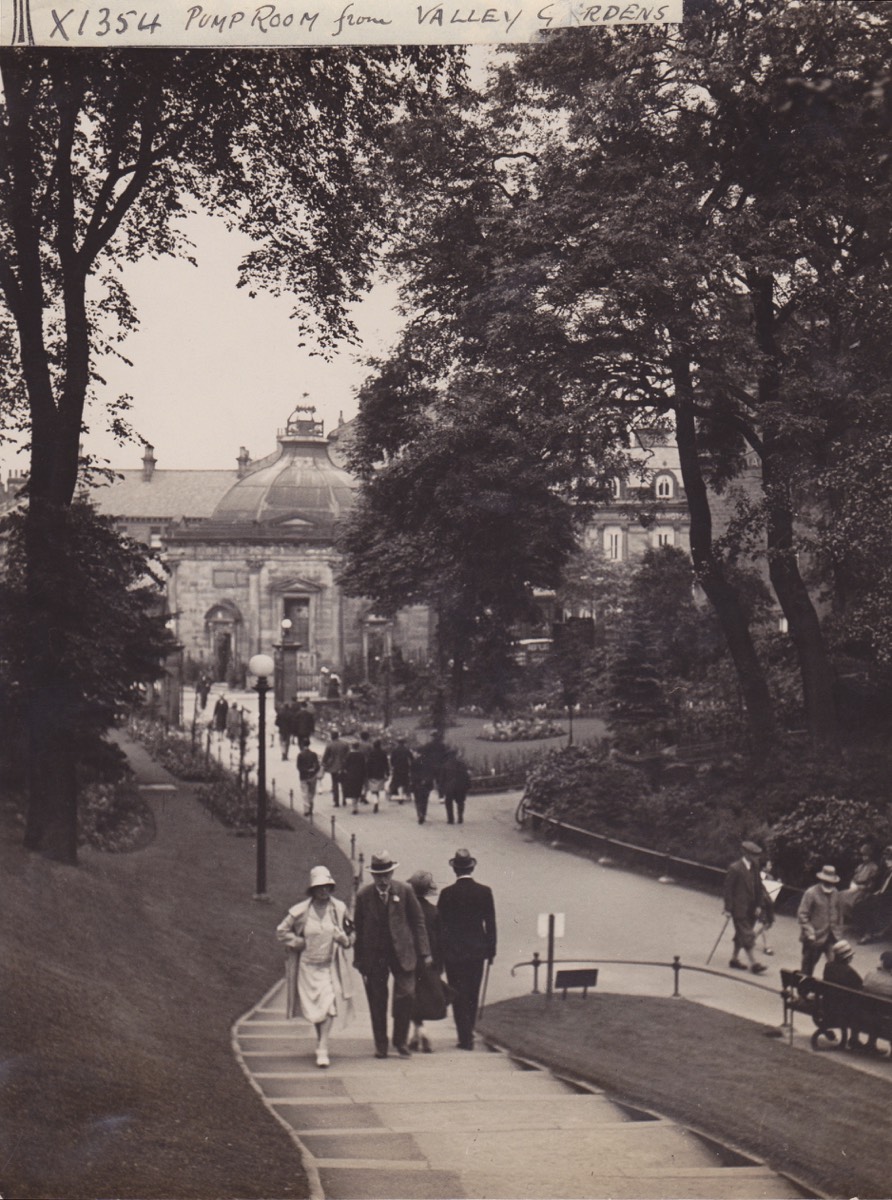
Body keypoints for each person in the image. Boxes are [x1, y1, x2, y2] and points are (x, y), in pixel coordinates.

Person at [352, 851, 432, 1058]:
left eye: (386, 874)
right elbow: (359, 929)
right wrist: (358, 958)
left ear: (392, 873)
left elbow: (418, 921)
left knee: (406, 994)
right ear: (373, 876)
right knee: (377, 999)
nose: (383, 880)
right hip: (375, 955)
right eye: (378, 875)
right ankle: (381, 1044)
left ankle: (400, 1040)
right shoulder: (363, 896)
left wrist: (424, 951)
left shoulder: (404, 891)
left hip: (402, 953)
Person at [276, 865, 355, 1069]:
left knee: (329, 1005)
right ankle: (321, 1043)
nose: (324, 891)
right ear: (312, 889)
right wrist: (296, 941)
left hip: (329, 966)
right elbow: (281, 931)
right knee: (316, 1010)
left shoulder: (338, 909)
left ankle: (322, 1047)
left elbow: (351, 934)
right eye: (319, 887)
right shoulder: (301, 911)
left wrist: (343, 938)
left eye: (327, 886)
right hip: (307, 967)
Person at [438, 848, 497, 1051]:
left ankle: (464, 1037)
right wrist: (491, 951)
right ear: (472, 868)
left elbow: (440, 926)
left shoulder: (446, 894)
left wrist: (441, 952)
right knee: (473, 992)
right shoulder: (484, 892)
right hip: (477, 951)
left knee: (457, 993)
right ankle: (469, 1031)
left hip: (453, 953)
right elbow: (490, 924)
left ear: (454, 869)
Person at [407, 870, 446, 1053]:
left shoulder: (408, 911)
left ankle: (419, 1030)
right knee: (424, 995)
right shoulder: (433, 911)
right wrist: (439, 963)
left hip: (411, 958)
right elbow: (439, 938)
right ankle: (416, 1035)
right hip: (429, 959)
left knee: (411, 995)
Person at [722, 839, 771, 975]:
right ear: (746, 854)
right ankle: (754, 964)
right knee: (747, 935)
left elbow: (759, 887)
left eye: (757, 855)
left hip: (752, 908)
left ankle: (734, 959)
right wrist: (727, 908)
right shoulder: (735, 868)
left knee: (740, 934)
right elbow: (728, 889)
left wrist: (759, 905)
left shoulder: (755, 867)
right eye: (754, 854)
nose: (757, 857)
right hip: (739, 908)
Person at [798, 864, 843, 975]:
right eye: (827, 881)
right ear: (822, 879)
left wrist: (839, 932)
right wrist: (810, 932)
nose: (829, 884)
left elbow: (839, 914)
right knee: (808, 966)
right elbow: (802, 914)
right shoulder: (811, 892)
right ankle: (803, 990)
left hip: (832, 936)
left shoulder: (836, 893)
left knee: (834, 965)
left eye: (831, 881)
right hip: (814, 937)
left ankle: (828, 990)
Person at [822, 940, 864, 1051]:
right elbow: (860, 988)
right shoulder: (849, 972)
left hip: (828, 1006)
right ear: (847, 957)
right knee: (859, 1006)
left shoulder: (828, 966)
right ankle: (854, 1038)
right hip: (844, 1010)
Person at [855, 846, 892, 944]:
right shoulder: (887, 871)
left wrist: (880, 895)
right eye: (887, 859)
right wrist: (876, 893)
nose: (887, 862)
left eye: (890, 860)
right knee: (862, 903)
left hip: (889, 899)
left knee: (871, 905)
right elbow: (881, 886)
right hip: (884, 896)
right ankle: (867, 931)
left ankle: (869, 934)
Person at [842, 843, 880, 925]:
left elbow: (871, 886)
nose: (864, 857)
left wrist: (858, 888)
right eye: (863, 855)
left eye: (866, 855)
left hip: (864, 891)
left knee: (850, 900)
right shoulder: (860, 866)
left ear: (871, 856)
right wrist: (852, 884)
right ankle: (843, 918)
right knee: (840, 895)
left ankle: (851, 920)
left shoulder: (874, 867)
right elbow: (854, 878)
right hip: (854, 888)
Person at [438, 749, 471, 826]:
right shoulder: (462, 764)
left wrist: (441, 790)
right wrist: (468, 786)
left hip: (449, 788)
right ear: (455, 756)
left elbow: (442, 779)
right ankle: (460, 817)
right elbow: (466, 776)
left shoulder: (445, 765)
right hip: (460, 787)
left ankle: (450, 819)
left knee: (448, 803)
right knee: (460, 802)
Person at [321, 729, 350, 808]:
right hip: (343, 766)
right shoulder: (345, 744)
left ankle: (336, 801)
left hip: (333, 767)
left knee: (335, 784)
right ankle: (344, 799)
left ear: (331, 736)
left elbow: (325, 756)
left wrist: (323, 764)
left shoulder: (330, 745)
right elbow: (348, 755)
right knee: (343, 783)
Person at [296, 737, 321, 817]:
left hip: (303, 776)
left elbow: (298, 767)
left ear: (302, 745)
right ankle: (310, 806)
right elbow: (317, 766)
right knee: (311, 792)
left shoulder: (300, 755)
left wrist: (306, 770)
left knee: (304, 793)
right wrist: (313, 771)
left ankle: (306, 809)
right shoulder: (313, 754)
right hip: (312, 776)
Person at [343, 741, 368, 815]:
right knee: (357, 789)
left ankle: (354, 806)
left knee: (352, 789)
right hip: (359, 775)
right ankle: (355, 805)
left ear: (351, 746)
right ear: (358, 747)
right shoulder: (361, 755)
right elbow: (364, 765)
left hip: (350, 774)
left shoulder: (348, 755)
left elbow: (345, 765)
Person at [366, 739, 389, 814]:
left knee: (373, 790)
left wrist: (367, 772)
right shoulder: (383, 753)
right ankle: (376, 802)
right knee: (377, 789)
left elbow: (368, 763)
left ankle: (375, 802)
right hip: (380, 773)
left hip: (372, 773)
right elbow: (386, 763)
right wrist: (387, 772)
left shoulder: (371, 753)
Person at [388, 737, 413, 804]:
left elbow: (392, 760)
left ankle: (392, 795)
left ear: (398, 742)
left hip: (397, 768)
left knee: (395, 782)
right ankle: (408, 795)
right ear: (404, 742)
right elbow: (411, 758)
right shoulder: (407, 750)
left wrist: (393, 766)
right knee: (406, 782)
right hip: (405, 768)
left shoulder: (395, 750)